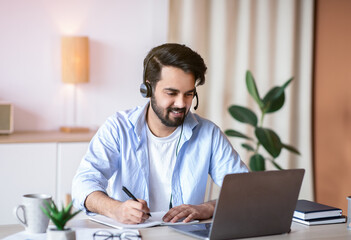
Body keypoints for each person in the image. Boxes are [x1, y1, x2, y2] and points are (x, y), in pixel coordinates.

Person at [72, 43, 248, 225]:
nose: (181, 103)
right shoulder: (118, 128)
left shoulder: (208, 134)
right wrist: (116, 209)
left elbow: (245, 192)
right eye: (171, 93)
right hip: (133, 235)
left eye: (188, 94)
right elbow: (82, 185)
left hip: (185, 237)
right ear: (147, 89)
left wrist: (206, 208)